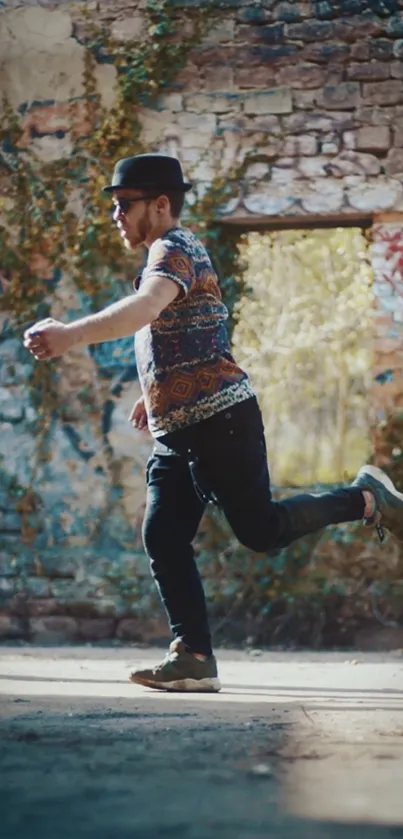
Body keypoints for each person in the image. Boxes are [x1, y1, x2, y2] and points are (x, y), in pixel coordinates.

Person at [24, 153, 403, 693]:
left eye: (124, 204)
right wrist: (150, 395)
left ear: (160, 205)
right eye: (113, 205)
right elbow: (175, 331)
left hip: (222, 422)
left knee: (262, 531)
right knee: (163, 534)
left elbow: (144, 309)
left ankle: (364, 499)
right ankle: (194, 656)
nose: (116, 215)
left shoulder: (173, 248)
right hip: (179, 432)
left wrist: (70, 335)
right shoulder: (167, 255)